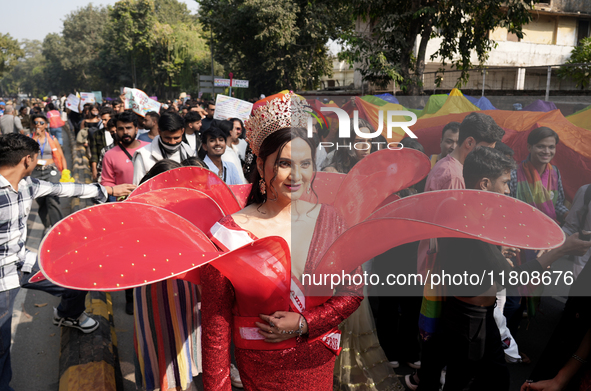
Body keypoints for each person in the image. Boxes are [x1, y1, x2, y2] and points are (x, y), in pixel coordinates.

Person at [201, 92, 365, 390]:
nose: (297, 175)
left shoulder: (330, 220)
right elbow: (215, 327)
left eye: (305, 164)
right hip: (262, 370)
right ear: (262, 166)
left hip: (317, 361)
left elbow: (352, 291)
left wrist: (305, 324)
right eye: (285, 163)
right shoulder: (228, 234)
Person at [438, 146, 591, 391]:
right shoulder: (470, 225)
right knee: (472, 382)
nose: (509, 190)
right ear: (485, 183)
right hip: (471, 322)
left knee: (492, 379)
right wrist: (561, 251)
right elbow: (511, 278)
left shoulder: (459, 208)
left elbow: (474, 264)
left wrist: (496, 253)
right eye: (506, 182)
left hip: (471, 316)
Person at [0, 133, 135, 390]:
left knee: (78, 274)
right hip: (2, 280)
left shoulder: (26, 185)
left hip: (23, 263)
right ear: (27, 159)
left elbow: (62, 188)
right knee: (1, 347)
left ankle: (67, 315)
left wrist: (107, 190)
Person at [412, 112, 505, 391]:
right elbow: (454, 232)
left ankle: (426, 379)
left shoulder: (447, 166)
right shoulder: (455, 174)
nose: (491, 158)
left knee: (440, 337)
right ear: (470, 143)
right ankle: (428, 379)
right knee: (445, 337)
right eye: (487, 151)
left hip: (441, 265)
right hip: (447, 267)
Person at [323, 119, 403, 391]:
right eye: (360, 141)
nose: (365, 146)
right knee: (338, 301)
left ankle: (351, 360)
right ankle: (330, 361)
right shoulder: (332, 170)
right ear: (347, 143)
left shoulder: (374, 173)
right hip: (336, 246)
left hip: (364, 245)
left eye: (369, 141)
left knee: (358, 298)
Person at [132, 159, 205, 391]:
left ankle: (180, 382)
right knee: (161, 345)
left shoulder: (185, 206)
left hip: (182, 286)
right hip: (156, 288)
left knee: (177, 344)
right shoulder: (139, 208)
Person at [132, 111, 195, 184]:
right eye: (167, 138)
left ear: (182, 131)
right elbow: (138, 189)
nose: (172, 142)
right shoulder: (143, 156)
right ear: (159, 132)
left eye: (176, 138)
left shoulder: (188, 152)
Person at [29, 113, 68, 229]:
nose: (38, 125)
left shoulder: (52, 139)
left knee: (52, 200)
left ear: (46, 125)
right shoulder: (29, 139)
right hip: (36, 172)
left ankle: (57, 227)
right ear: (32, 125)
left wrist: (65, 171)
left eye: (41, 123)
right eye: (36, 123)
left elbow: (61, 156)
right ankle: (47, 226)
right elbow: (28, 155)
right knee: (41, 201)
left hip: (51, 171)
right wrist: (35, 138)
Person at [89, 107, 115, 181]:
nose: (103, 122)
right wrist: (94, 170)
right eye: (102, 120)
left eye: (106, 120)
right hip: (103, 168)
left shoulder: (118, 132)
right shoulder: (97, 134)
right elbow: (94, 154)